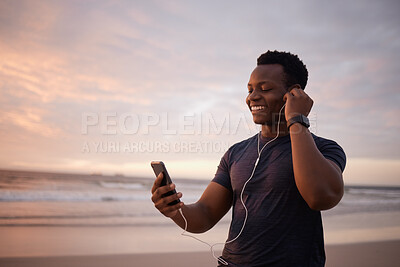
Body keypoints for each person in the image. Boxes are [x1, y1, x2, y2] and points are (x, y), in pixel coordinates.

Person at [151, 50, 346, 266]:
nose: (252, 97)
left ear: (294, 93)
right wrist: (174, 209)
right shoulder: (236, 153)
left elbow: (321, 197)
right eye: (250, 90)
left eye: (265, 89)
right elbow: (204, 216)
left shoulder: (324, 148)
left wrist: (297, 120)